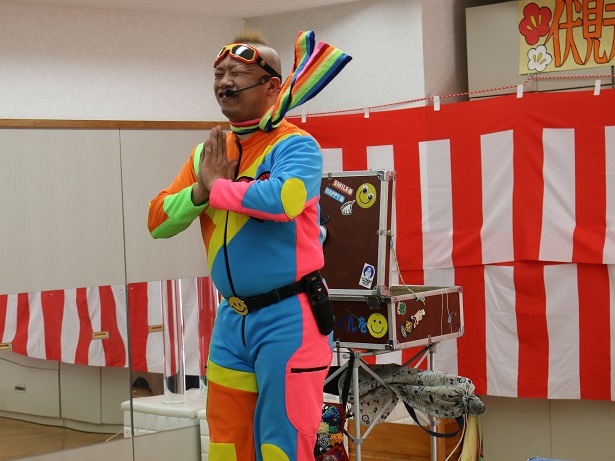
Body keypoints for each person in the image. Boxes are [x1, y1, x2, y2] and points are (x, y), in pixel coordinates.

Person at [148, 30, 350, 461]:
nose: (224, 82)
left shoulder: (296, 145)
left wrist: (218, 187)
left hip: (289, 317)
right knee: (226, 448)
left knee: (281, 447)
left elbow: (283, 200)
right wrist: (200, 191)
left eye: (236, 73)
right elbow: (158, 221)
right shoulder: (207, 154)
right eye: (218, 73)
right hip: (231, 321)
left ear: (272, 86)